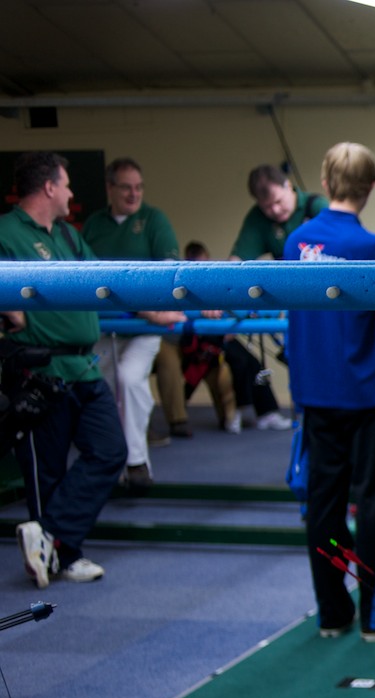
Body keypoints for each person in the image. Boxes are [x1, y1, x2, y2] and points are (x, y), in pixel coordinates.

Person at [284, 142, 375, 641]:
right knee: (374, 505)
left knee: (324, 505)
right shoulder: (371, 248)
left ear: (324, 183)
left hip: (314, 395)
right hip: (368, 396)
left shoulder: (296, 243)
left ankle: (332, 614)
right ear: (370, 187)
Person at [1, 152, 127, 586]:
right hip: (40, 368)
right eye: (67, 184)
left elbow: (102, 282)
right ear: (50, 187)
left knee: (110, 450)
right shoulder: (6, 232)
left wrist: (160, 309)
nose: (72, 193)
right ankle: (63, 554)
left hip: (84, 367)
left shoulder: (69, 236)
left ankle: (50, 537)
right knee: (47, 471)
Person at [82, 157, 187, 491]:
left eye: (139, 187)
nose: (134, 194)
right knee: (103, 388)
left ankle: (136, 462)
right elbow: (85, 276)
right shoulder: (94, 225)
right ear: (110, 189)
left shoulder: (153, 220)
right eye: (126, 187)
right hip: (105, 326)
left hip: (146, 327)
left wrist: (145, 310)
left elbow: (169, 273)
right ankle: (111, 464)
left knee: (129, 379)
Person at [228, 163, 315, 431]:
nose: (275, 211)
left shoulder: (316, 207)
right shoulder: (258, 218)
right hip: (290, 305)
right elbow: (236, 262)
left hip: (323, 300)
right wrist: (222, 297)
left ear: (289, 186)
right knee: (297, 361)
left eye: (278, 201)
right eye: (267, 207)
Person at [179, 242, 239, 429]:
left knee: (229, 374)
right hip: (188, 347)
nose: (201, 267)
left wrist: (227, 329)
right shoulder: (180, 283)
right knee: (183, 383)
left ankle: (231, 417)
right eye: (196, 263)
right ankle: (177, 420)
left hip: (214, 348)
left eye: (204, 261)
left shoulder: (217, 282)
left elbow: (230, 312)